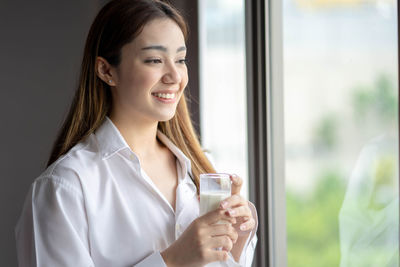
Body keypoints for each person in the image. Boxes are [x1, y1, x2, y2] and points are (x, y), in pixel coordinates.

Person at [15, 0, 258, 266]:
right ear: (107, 70)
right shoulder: (65, 187)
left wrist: (237, 238)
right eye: (155, 60)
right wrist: (172, 259)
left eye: (180, 59)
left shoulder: (196, 171)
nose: (175, 75)